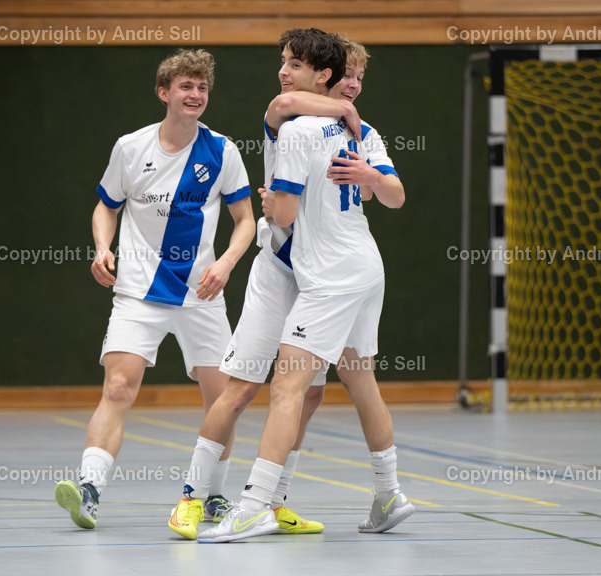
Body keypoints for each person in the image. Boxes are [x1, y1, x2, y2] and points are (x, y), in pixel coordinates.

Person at [197, 29, 413, 543]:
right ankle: (389, 494)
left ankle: (253, 507)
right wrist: (372, 175)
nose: (283, 70)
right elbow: (398, 197)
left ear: (323, 76)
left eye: (292, 62)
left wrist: (273, 206)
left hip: (329, 278)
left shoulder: (297, 133)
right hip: (366, 269)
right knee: (361, 381)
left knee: (287, 387)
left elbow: (286, 211)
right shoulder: (363, 130)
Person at [54, 48, 255, 529]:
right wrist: (103, 247)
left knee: (221, 399)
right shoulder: (131, 147)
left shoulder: (223, 150)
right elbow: (106, 206)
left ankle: (213, 495)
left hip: (201, 295)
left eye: (202, 87)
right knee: (119, 388)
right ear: (164, 93)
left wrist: (226, 264)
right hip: (139, 292)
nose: (196, 95)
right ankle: (89, 490)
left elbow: (247, 220)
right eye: (186, 86)